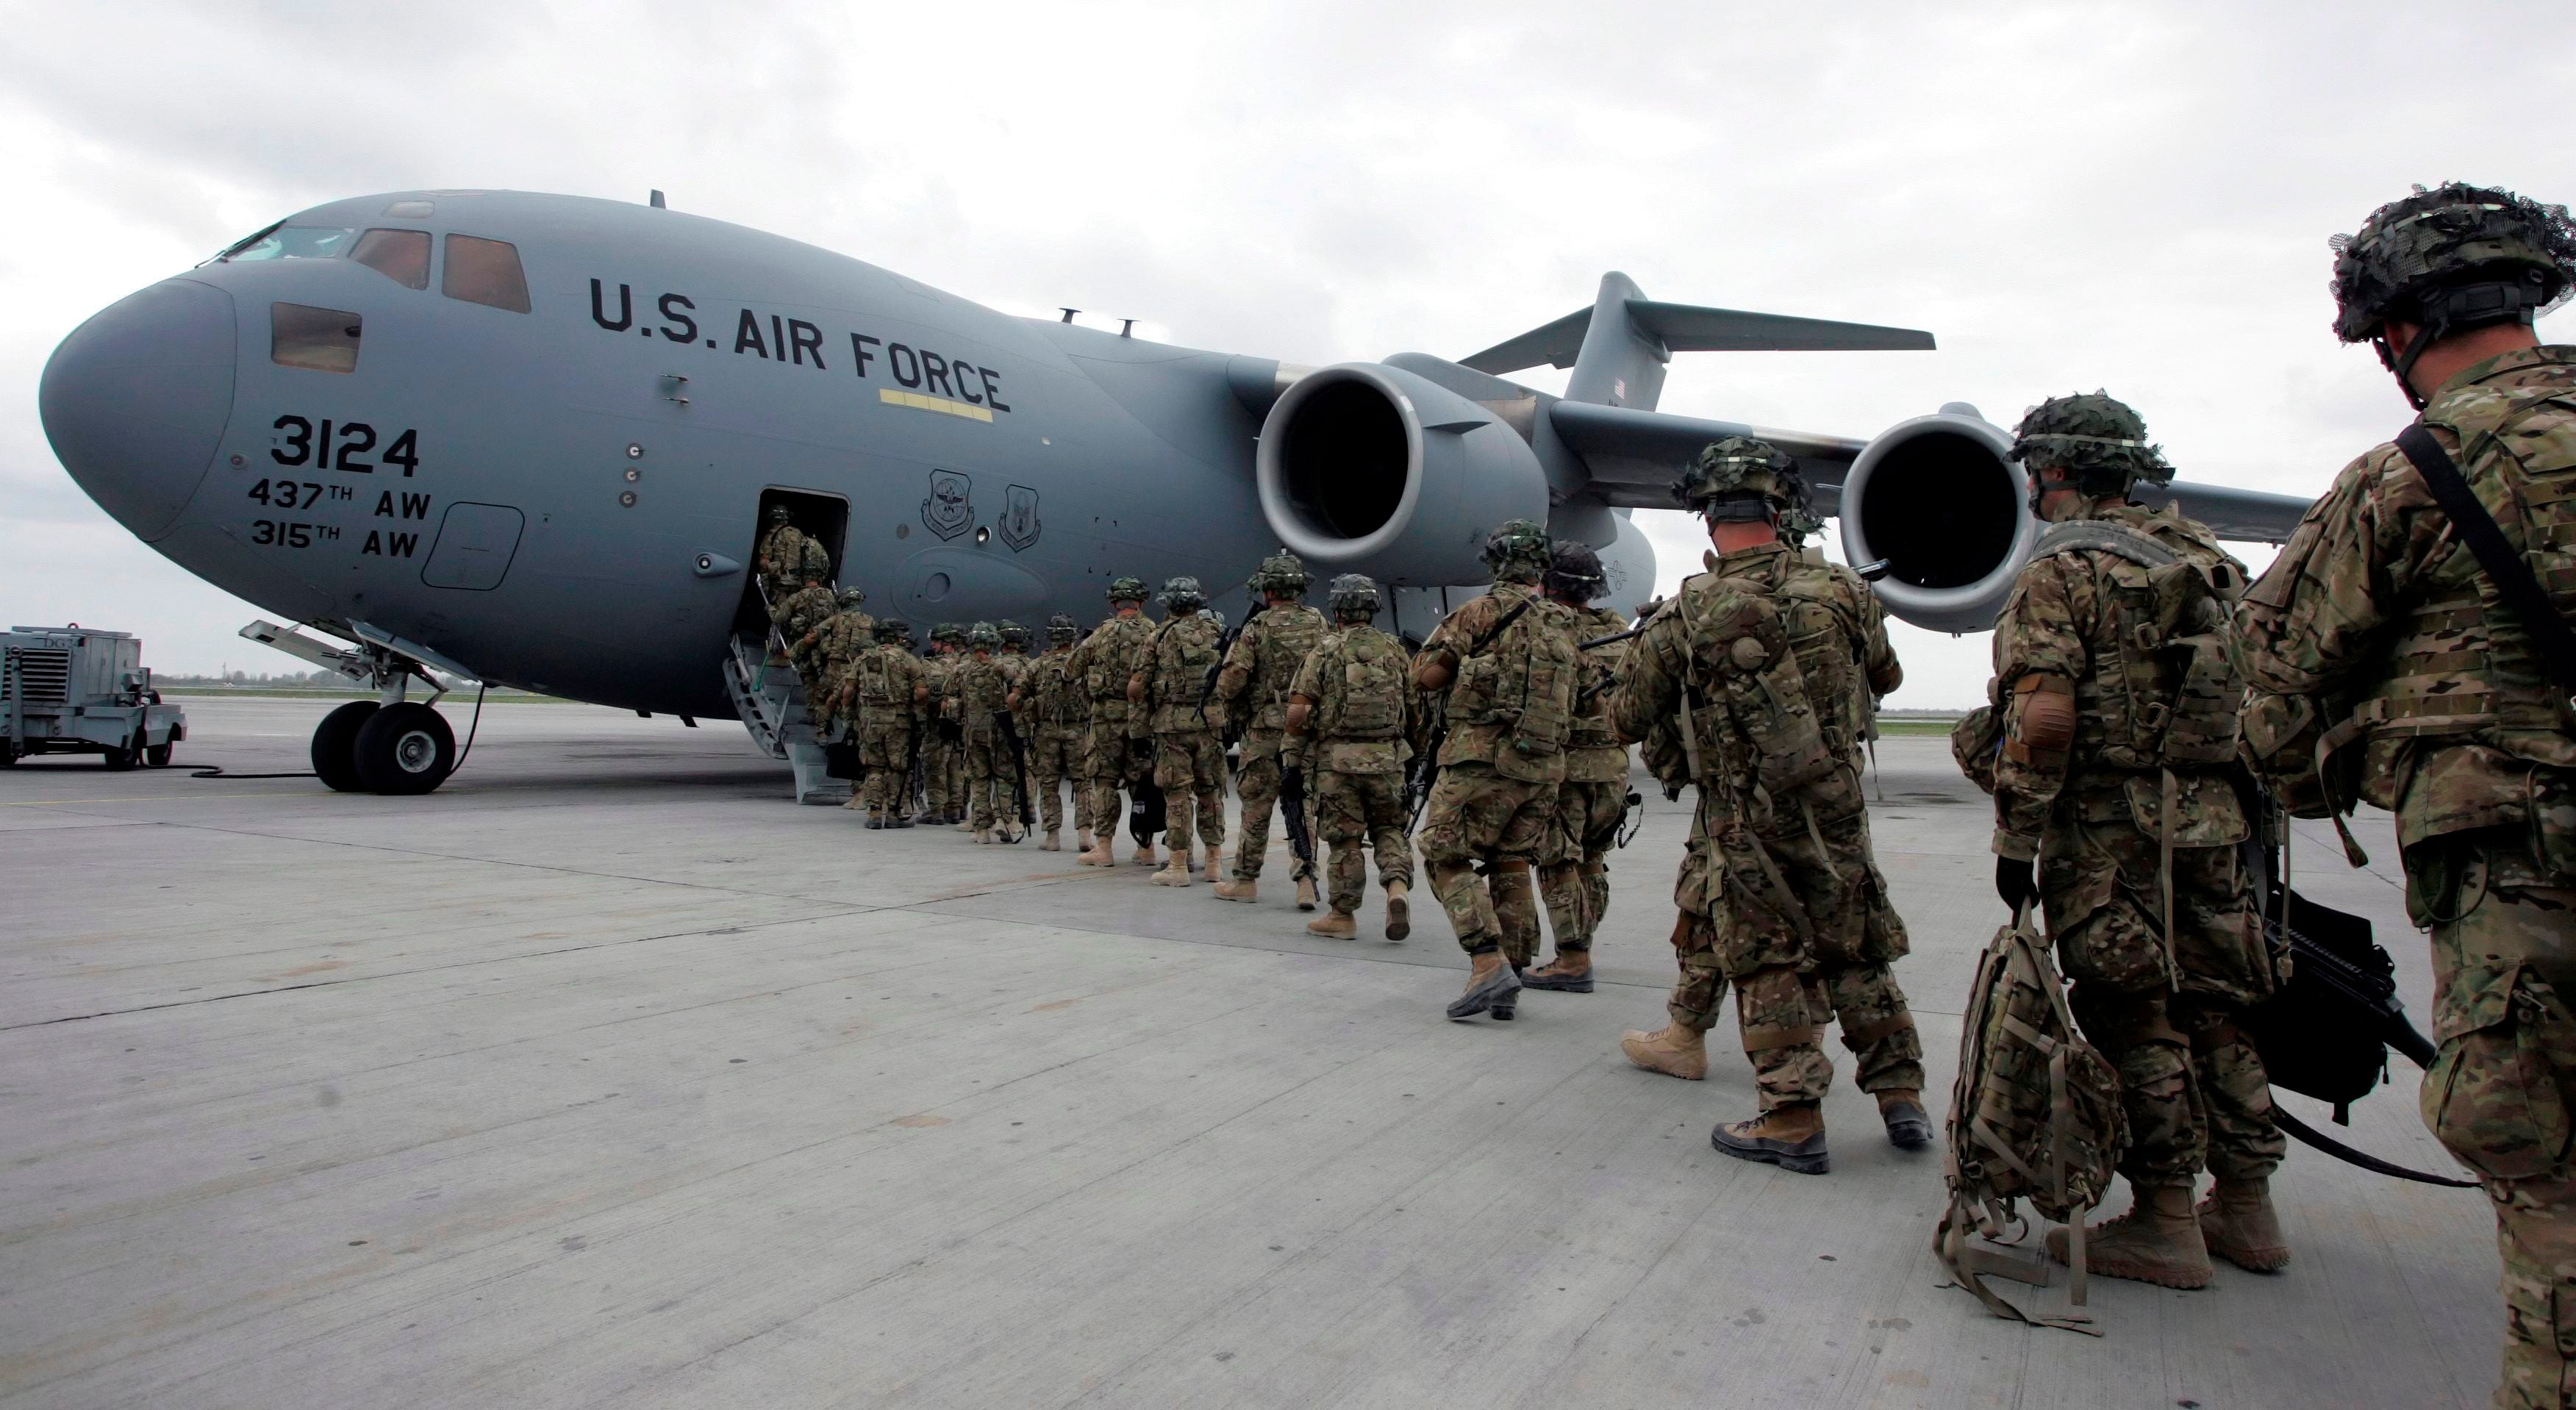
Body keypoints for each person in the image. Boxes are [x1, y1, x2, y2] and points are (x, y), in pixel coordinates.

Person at [2234, 183, 2576, 1402]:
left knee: (2538, 1166)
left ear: (2391, 331)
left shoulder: (2409, 477)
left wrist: (2335, 751)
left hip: (2519, 893)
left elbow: (2267, 681)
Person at [1978, 392, 2278, 1284]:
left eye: (2036, 468)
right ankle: (2250, 1209)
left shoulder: (2063, 569)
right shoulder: (2205, 558)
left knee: (2136, 1011)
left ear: (2057, 472)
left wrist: (2015, 836)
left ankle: (2166, 1220)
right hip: (2211, 829)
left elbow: (2044, 716)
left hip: (2111, 837)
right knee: (2217, 1007)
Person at [1609, 437, 1927, 1175]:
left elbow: (1623, 718)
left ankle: (1789, 1117)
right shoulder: (1846, 590)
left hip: (1744, 819)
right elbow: (1888, 675)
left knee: (1768, 959)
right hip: (1836, 805)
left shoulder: (1688, 610)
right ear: (1782, 509)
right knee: (1857, 945)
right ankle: (1900, 1095)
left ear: (1707, 513)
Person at [1412, 520, 1579, 1021]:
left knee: (1442, 853)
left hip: (1480, 759)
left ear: (1493, 562)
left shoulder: (1478, 613)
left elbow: (1426, 675)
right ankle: (1516, 967)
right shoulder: (1564, 622)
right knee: (1510, 861)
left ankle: (1488, 961)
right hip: (1543, 767)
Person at [1524, 541, 1633, 994]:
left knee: (1556, 859)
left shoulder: (1547, 630)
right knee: (1591, 859)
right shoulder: (1620, 631)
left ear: (1549, 583)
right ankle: (1583, 942)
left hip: (1566, 766)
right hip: (1613, 766)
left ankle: (1573, 958)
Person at [1286, 574, 1415, 940]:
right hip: (1388, 760)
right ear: (1374, 608)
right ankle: (1397, 887)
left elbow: (1299, 711)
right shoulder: (1394, 650)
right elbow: (1416, 706)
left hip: (1338, 762)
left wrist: (1292, 760)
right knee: (1390, 829)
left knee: (1345, 840)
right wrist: (1415, 754)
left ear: (1337, 610)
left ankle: (1342, 916)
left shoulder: (1325, 650)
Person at [1212, 550, 1331, 907]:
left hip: (1264, 729)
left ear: (1267, 590)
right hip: (1306, 726)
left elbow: (1232, 682)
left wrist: (1237, 710)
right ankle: (1306, 880)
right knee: (1303, 802)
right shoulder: (1319, 623)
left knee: (1257, 805)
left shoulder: (1257, 627)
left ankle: (1246, 881)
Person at [1132, 576, 1228, 885]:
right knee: (1211, 793)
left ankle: (1178, 865)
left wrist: (1139, 723)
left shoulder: (1159, 636)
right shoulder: (1218, 632)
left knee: (1178, 795)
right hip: (1210, 724)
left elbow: (1138, 685)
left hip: (1172, 726)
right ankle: (1214, 862)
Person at [1069, 577, 1160, 867]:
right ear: (1141, 603)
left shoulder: (1101, 634)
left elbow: (1071, 669)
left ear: (1113, 604)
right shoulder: (1154, 632)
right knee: (1141, 782)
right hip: (1141, 720)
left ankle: (1104, 847)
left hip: (1107, 719)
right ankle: (1145, 848)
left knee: (1105, 782)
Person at [1012, 613, 1090, 851]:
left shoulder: (1037, 665)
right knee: (1083, 782)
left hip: (1046, 731)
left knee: (1048, 784)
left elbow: (1014, 698)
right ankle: (1085, 835)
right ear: (1073, 637)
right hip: (1078, 729)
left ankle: (1053, 837)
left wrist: (1025, 714)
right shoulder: (1084, 664)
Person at [847, 617, 927, 828]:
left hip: (871, 721)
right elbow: (920, 693)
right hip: (898, 722)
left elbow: (848, 691)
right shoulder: (907, 659)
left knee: (874, 767)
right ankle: (892, 814)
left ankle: (874, 814)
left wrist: (853, 713)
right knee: (896, 767)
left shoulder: (863, 658)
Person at [954, 622, 1018, 842]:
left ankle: (981, 830)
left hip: (973, 731)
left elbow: (949, 700)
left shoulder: (961, 669)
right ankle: (1003, 819)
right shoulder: (1004, 666)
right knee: (1004, 777)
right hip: (1000, 730)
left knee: (979, 779)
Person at [917, 623, 965, 826]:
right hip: (960, 725)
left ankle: (936, 810)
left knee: (935, 766)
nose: (932, 645)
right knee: (956, 766)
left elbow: (920, 694)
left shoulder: (928, 665)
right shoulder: (965, 664)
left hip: (936, 724)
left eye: (935, 642)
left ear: (945, 643)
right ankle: (955, 808)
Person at [756, 504, 816, 598]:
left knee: (778, 610)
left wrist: (764, 589)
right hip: (797, 582)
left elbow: (764, 563)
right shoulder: (798, 533)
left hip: (780, 583)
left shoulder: (771, 536)